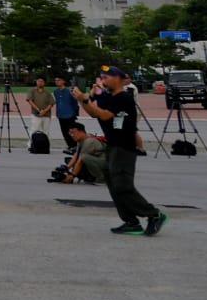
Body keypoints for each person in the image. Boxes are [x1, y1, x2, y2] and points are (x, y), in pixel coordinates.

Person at [73, 65, 165, 237]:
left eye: (106, 77)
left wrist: (84, 99)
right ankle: (131, 222)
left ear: (118, 79)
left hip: (124, 147)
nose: (103, 80)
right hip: (112, 146)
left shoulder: (124, 98)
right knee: (114, 187)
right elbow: (93, 112)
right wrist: (85, 98)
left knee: (123, 185)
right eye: (102, 77)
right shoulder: (108, 97)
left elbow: (105, 115)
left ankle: (154, 214)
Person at [57, 121, 108, 186]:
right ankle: (90, 177)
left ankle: (102, 179)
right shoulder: (81, 139)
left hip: (107, 164)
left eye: (73, 133)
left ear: (81, 132)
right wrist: (66, 168)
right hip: (99, 161)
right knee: (69, 160)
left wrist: (72, 175)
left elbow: (80, 160)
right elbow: (76, 154)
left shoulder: (89, 142)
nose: (71, 135)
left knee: (83, 157)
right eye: (70, 133)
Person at [27, 77, 57, 145]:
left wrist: (44, 111)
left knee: (46, 131)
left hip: (46, 115)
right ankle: (31, 145)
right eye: (38, 81)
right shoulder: (32, 91)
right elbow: (30, 101)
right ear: (36, 82)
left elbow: (51, 104)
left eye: (42, 81)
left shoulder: (47, 92)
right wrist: (38, 110)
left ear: (44, 83)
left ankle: (45, 145)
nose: (40, 82)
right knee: (34, 130)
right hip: (35, 114)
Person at [52, 73, 79, 143]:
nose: (57, 81)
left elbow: (75, 103)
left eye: (59, 80)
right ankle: (70, 146)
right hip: (60, 115)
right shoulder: (56, 92)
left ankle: (74, 146)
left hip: (70, 115)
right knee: (64, 132)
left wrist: (74, 113)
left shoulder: (70, 91)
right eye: (56, 80)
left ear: (63, 81)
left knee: (71, 132)